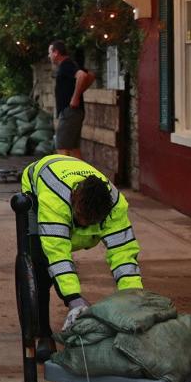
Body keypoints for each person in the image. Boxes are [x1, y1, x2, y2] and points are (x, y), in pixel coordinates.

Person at [19, 154, 143, 361]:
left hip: (71, 173)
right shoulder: (54, 201)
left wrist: (132, 297)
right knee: (40, 264)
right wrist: (73, 299)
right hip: (38, 181)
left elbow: (123, 253)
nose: (85, 225)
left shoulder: (115, 206)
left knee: (119, 260)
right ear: (74, 202)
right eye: (83, 220)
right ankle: (43, 334)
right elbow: (57, 252)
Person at [47, 40, 94, 159]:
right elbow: (91, 75)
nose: (49, 56)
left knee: (62, 147)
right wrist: (79, 91)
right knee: (73, 149)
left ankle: (65, 177)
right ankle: (80, 177)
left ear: (56, 52)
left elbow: (82, 76)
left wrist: (75, 97)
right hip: (74, 112)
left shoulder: (66, 65)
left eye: (50, 53)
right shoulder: (71, 64)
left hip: (70, 111)